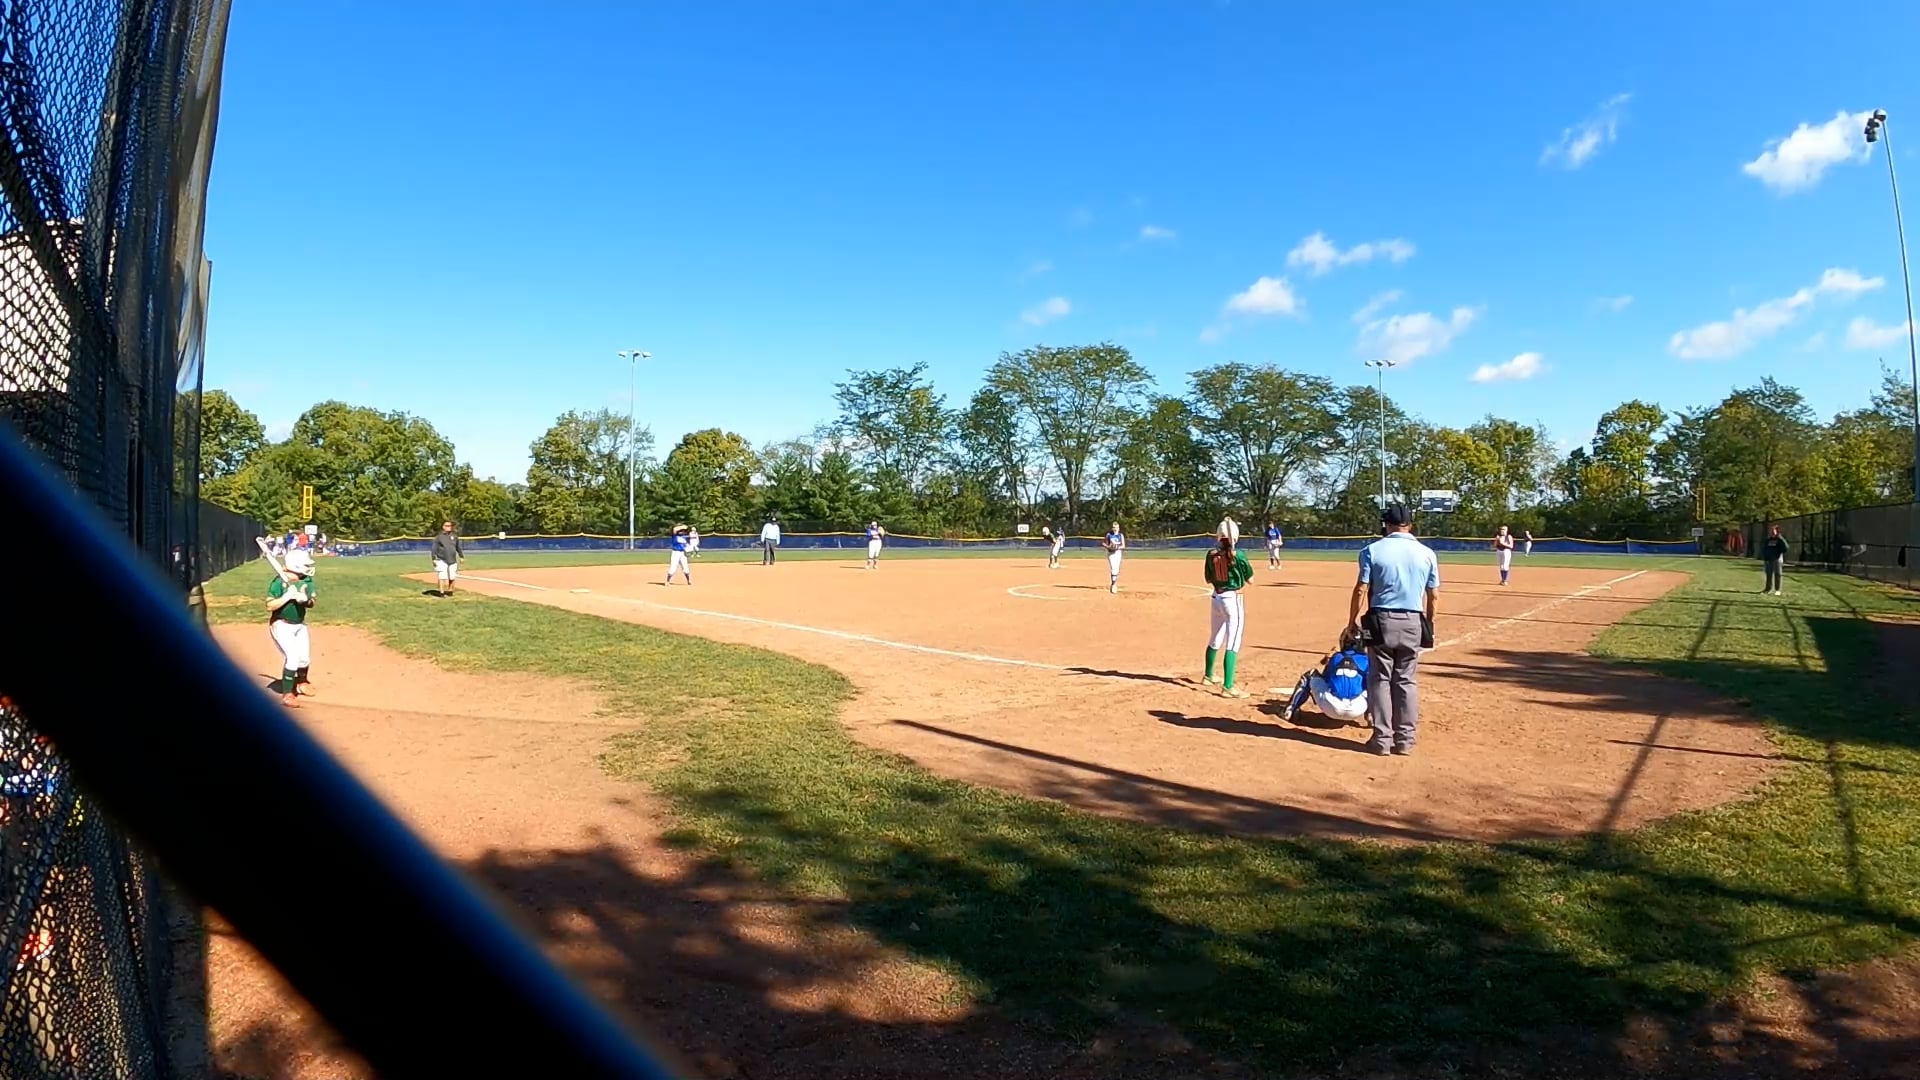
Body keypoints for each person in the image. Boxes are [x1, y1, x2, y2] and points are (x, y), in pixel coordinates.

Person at [1348, 505, 1439, 756]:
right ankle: (1405, 740)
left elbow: (1361, 589)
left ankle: (1381, 739)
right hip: (1413, 620)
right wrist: (1429, 624)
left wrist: (1351, 622)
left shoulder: (1372, 550)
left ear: (1386, 525)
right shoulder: (1427, 553)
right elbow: (1433, 595)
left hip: (1380, 620)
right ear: (1410, 525)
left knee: (1379, 678)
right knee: (1406, 679)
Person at [1201, 519, 1253, 698]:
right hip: (1232, 599)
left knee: (1215, 636)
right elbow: (1250, 579)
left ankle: (1208, 675)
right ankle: (1228, 686)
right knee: (1233, 641)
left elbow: (1208, 579)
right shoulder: (1238, 555)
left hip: (1216, 597)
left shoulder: (1211, 554)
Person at [1276, 629, 1371, 725]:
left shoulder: (1335, 657)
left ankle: (1289, 711)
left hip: (1331, 707)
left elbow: (1326, 679)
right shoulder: (1367, 660)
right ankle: (1371, 717)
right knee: (1374, 684)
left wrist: (1327, 660)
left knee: (1310, 675)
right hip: (1358, 708)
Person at [267, 547, 317, 707]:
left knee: (304, 658)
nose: (308, 568)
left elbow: (312, 602)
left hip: (299, 624)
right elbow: (270, 605)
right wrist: (287, 596)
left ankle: (302, 682)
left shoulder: (306, 581)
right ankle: (288, 694)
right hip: (281, 625)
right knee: (293, 658)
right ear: (296, 566)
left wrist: (304, 600)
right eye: (305, 565)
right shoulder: (278, 582)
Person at [431, 520, 463, 597]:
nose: (449, 527)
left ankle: (450, 591)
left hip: (452, 560)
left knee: (452, 576)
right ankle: (441, 592)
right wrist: (433, 558)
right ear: (443, 527)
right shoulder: (439, 537)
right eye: (447, 526)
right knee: (442, 576)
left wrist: (461, 556)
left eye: (450, 526)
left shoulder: (454, 536)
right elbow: (434, 548)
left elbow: (458, 547)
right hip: (441, 559)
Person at [1761, 524, 1789, 595]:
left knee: (1777, 574)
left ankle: (1777, 590)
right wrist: (1765, 558)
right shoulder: (1768, 540)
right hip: (1768, 560)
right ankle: (1768, 589)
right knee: (1768, 575)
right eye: (1771, 531)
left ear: (1777, 531)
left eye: (1773, 531)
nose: (1772, 532)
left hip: (1777, 560)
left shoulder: (1780, 539)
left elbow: (1785, 548)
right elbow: (1764, 549)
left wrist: (1780, 538)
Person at [1103, 522, 1127, 593]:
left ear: (1118, 528)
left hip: (1118, 553)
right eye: (1114, 527)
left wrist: (1116, 547)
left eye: (1116, 527)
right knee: (1113, 568)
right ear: (1112, 528)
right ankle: (1113, 585)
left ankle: (1114, 582)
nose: (1115, 529)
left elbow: (1123, 546)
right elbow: (1104, 543)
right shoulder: (1109, 535)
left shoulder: (1120, 535)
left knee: (1116, 569)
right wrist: (1109, 547)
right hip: (1111, 553)